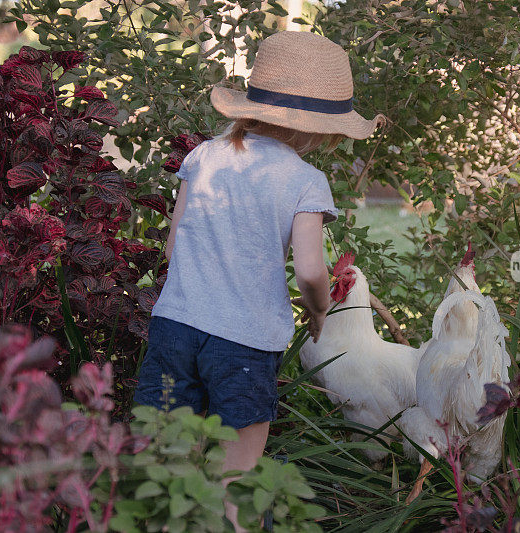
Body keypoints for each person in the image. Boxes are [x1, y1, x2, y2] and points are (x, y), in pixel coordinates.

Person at [132, 31, 384, 531]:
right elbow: (312, 271)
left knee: (169, 464)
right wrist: (318, 312)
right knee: (238, 474)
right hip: (244, 344)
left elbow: (172, 244)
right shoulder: (305, 180)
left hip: (175, 327)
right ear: (320, 130)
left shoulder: (204, 155)